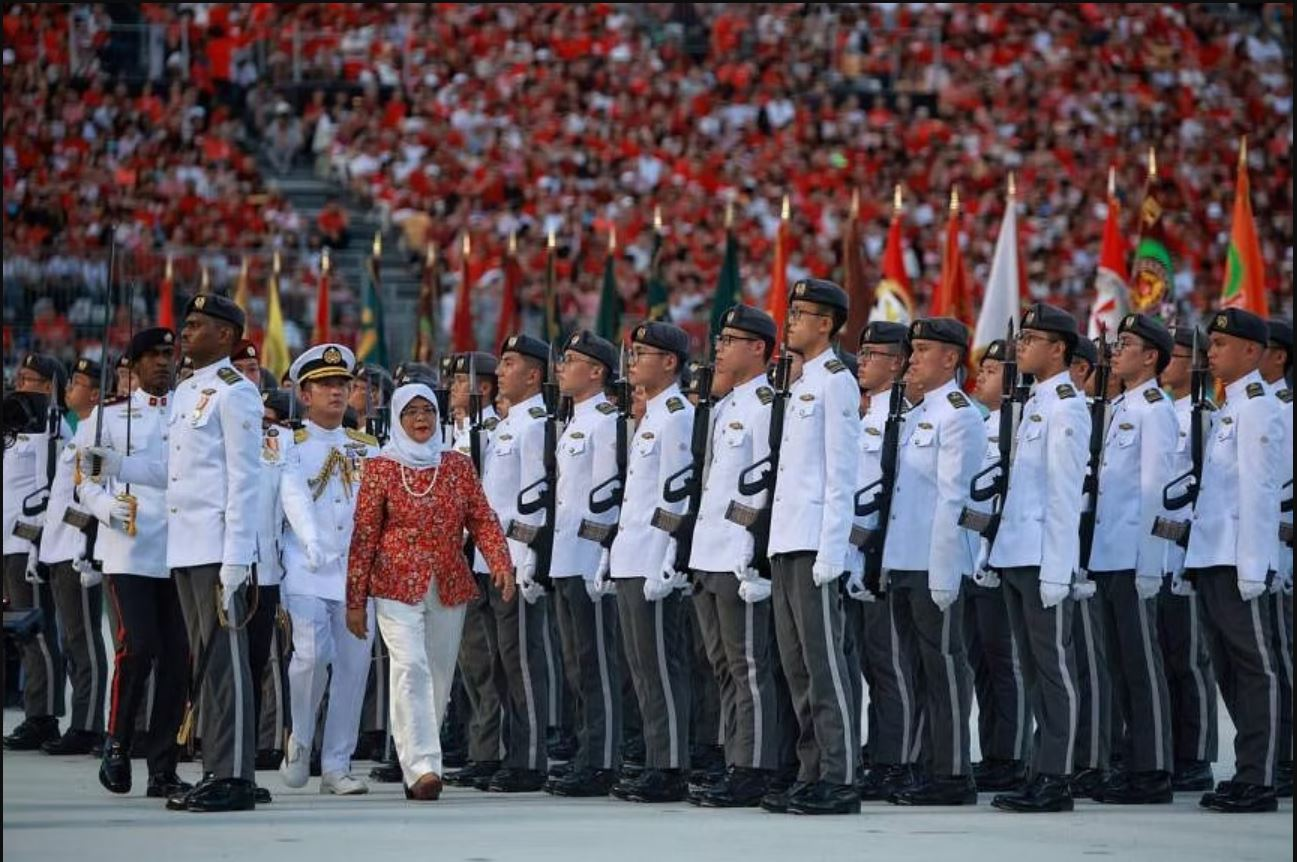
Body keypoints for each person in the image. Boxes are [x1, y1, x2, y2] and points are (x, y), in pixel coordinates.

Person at [87, 294, 263, 812]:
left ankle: (233, 775)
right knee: (205, 668)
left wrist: (237, 555)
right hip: (182, 547)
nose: (184, 334)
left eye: (196, 326)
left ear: (226, 336)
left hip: (215, 544)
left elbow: (245, 479)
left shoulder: (236, 393)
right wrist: (117, 463)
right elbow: (172, 470)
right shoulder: (189, 391)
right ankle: (218, 769)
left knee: (224, 662)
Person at [346, 383, 514, 801]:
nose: (421, 419)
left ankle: (416, 764)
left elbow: (482, 517)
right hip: (393, 584)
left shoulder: (456, 465)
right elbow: (364, 536)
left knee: (438, 676)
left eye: (428, 411)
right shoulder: (381, 467)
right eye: (412, 412)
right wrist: (355, 600)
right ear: (399, 419)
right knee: (411, 667)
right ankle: (424, 768)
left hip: (448, 582)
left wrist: (500, 561)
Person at [762, 278, 860, 816]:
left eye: (800, 313)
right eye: (790, 311)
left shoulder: (835, 383)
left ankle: (840, 776)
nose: (790, 320)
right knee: (797, 666)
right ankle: (811, 770)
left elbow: (841, 474)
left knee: (824, 666)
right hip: (787, 539)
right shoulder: (802, 383)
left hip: (814, 544)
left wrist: (832, 549)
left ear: (826, 324)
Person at [988, 302, 1090, 814]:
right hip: (1017, 552)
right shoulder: (1035, 402)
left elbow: (1064, 495)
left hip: (1042, 558)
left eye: (1032, 339)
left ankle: (1057, 776)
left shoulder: (1068, 405)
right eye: (1021, 337)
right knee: (1032, 669)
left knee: (1053, 669)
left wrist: (1057, 569)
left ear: (1059, 349)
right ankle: (1038, 768)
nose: (1021, 346)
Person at [880, 318, 986, 806]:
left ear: (951, 359)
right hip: (904, 559)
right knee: (915, 669)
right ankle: (924, 765)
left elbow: (953, 500)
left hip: (934, 564)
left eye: (922, 349)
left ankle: (952, 771)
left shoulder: (959, 415)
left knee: (944, 668)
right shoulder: (917, 413)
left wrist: (946, 571)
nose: (912, 358)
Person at [81, 329, 189, 799]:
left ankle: (163, 764)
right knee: (138, 646)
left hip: (181, 547)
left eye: (169, 354)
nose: (163, 363)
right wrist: (104, 508)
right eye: (152, 356)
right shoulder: (106, 417)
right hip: (129, 547)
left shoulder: (190, 411)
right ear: (135, 364)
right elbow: (84, 478)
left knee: (178, 661)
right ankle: (118, 743)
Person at [686, 306, 786, 808]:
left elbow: (761, 487)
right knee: (723, 665)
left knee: (749, 665)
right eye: (719, 339)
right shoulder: (727, 405)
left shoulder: (767, 404)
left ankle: (756, 766)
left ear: (759, 349)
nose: (719, 348)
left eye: (731, 340)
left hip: (736, 554)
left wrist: (753, 554)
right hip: (710, 551)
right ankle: (735, 758)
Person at [1185, 308, 1284, 814]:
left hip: (1238, 558)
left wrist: (1254, 563)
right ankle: (1248, 768)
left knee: (1255, 666)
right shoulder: (1231, 407)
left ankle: (1261, 777)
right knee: (1227, 665)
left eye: (1222, 344)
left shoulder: (1259, 408)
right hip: (1213, 554)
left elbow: (1260, 490)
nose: (1212, 353)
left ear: (1253, 351)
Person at [1078, 313, 1178, 804]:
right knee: (1117, 665)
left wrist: (1149, 562)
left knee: (1141, 665)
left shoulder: (1155, 409)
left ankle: (1154, 768)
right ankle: (1126, 760)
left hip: (1134, 554)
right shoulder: (1119, 406)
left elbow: (1155, 492)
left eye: (1128, 344)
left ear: (1152, 356)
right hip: (1107, 553)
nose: (1116, 351)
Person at [277, 344, 381, 796]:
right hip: (304, 567)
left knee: (355, 667)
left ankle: (337, 763)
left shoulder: (368, 447)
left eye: (343, 384)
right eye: (325, 385)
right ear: (304, 394)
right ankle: (300, 737)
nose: (337, 392)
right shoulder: (286, 442)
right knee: (312, 656)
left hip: (356, 573)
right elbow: (290, 496)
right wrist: (310, 543)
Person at [608, 321, 696, 804]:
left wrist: (667, 559)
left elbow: (675, 497)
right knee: (642, 668)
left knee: (662, 665)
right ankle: (655, 756)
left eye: (643, 352)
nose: (634, 360)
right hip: (631, 555)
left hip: (652, 562)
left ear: (670, 362)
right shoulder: (653, 416)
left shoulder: (677, 415)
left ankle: (671, 764)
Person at [544, 330, 624, 797]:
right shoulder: (575, 422)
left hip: (589, 559)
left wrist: (602, 558)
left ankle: (603, 756)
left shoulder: (605, 422)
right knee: (576, 661)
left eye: (571, 360)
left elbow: (606, 501)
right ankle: (586, 748)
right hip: (565, 555)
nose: (562, 367)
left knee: (596, 661)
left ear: (596, 371)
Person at [475, 334, 554, 793]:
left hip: (513, 562)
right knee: (499, 664)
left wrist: (522, 562)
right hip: (491, 560)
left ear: (533, 374)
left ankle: (529, 759)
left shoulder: (535, 424)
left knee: (522, 661)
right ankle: (506, 752)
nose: (500, 371)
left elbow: (534, 502)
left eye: (509, 363)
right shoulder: (508, 423)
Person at [850, 321, 922, 801]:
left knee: (891, 665)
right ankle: (877, 753)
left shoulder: (907, 418)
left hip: (883, 556)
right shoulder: (864, 415)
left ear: (897, 363)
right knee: (869, 664)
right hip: (855, 556)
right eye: (862, 352)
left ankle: (897, 759)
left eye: (873, 354)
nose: (863, 361)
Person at [964, 339, 1030, 792]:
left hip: (1000, 556)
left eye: (990, 370)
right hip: (975, 558)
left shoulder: (1020, 425)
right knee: (984, 662)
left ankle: (1011, 754)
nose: (980, 377)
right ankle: (993, 751)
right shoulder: (985, 424)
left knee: (1006, 662)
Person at [1157, 325, 1219, 793]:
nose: (1170, 365)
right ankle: (1170, 748)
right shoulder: (1160, 412)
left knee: (1189, 658)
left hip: (1184, 547)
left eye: (1178, 356)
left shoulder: (1203, 414)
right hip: (1156, 547)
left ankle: (1196, 755)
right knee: (1162, 655)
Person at [37, 357, 107, 756]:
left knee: (84, 640)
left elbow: (93, 496)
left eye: (79, 382)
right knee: (72, 639)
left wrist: (87, 547)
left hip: (77, 550)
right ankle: (82, 721)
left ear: (95, 393)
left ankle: (88, 724)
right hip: (59, 547)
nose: (70, 388)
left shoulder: (96, 430)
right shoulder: (78, 431)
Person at [444, 351, 507, 789]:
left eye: (459, 382)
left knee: (487, 660)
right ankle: (469, 743)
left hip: (478, 556)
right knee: (463, 660)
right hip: (452, 558)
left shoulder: (495, 434)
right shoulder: (452, 437)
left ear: (481, 388)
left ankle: (489, 748)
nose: (451, 390)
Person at [2, 353, 68, 751]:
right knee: (18, 632)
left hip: (26, 542)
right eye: (20, 377)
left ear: (48, 386)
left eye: (30, 379)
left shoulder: (52, 426)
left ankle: (44, 716)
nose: (20, 384)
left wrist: (35, 543)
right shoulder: (15, 424)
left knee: (36, 630)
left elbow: (50, 488)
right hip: (5, 539)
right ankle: (33, 710)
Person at [1067, 335, 1113, 798]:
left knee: (1092, 663)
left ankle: (1095, 757)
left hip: (1092, 549)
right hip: (1082, 548)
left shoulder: (1077, 411)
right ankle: (1077, 753)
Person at [1260, 317, 1293, 798]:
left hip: (1281, 545)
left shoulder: (1284, 408)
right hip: (1263, 545)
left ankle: (1284, 755)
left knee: (1280, 655)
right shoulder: (1254, 407)